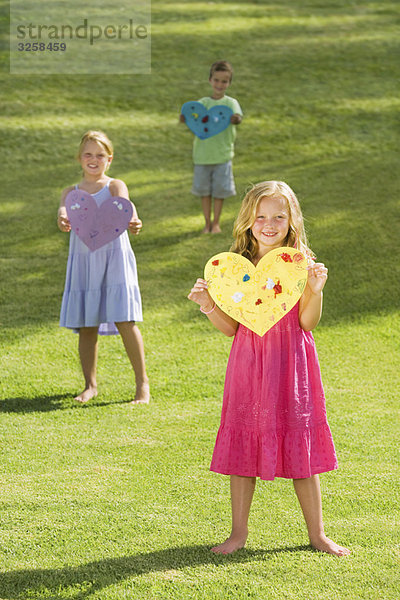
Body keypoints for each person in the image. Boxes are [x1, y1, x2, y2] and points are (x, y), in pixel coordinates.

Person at [188, 181, 350, 557]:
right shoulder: (233, 266)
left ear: (292, 218)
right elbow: (232, 328)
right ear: (248, 219)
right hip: (248, 363)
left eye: (279, 216)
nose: (269, 224)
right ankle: (238, 535)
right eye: (261, 216)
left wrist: (316, 289)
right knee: (245, 443)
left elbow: (308, 322)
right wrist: (207, 303)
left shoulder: (301, 261)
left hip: (292, 362)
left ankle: (318, 534)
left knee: (301, 451)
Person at [57, 130, 150, 405]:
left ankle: (142, 385)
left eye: (100, 155)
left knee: (125, 319)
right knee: (87, 324)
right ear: (79, 158)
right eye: (88, 154)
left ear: (109, 159)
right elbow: (63, 213)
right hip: (85, 262)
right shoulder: (70, 193)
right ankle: (90, 385)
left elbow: (127, 208)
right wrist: (63, 219)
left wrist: (134, 220)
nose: (93, 159)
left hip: (114, 259)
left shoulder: (114, 186)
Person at [180, 60, 243, 234]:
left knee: (219, 192)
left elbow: (238, 117)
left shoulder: (230, 103)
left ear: (229, 83)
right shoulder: (203, 103)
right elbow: (194, 116)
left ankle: (216, 223)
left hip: (222, 155)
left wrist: (235, 119)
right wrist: (185, 118)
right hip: (202, 156)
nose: (219, 84)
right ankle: (207, 223)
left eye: (224, 81)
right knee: (204, 192)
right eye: (216, 80)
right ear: (210, 80)